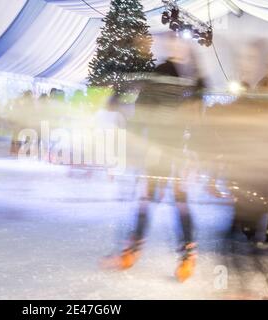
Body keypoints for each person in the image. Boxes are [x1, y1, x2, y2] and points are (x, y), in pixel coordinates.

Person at [102, 36, 203, 283]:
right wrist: (120, 108)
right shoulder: (160, 73)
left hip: (179, 150)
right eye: (172, 44)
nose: (174, 47)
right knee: (146, 199)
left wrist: (195, 152)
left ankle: (188, 254)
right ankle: (133, 248)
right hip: (156, 148)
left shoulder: (195, 79)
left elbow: (198, 119)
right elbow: (140, 107)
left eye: (179, 44)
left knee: (179, 201)